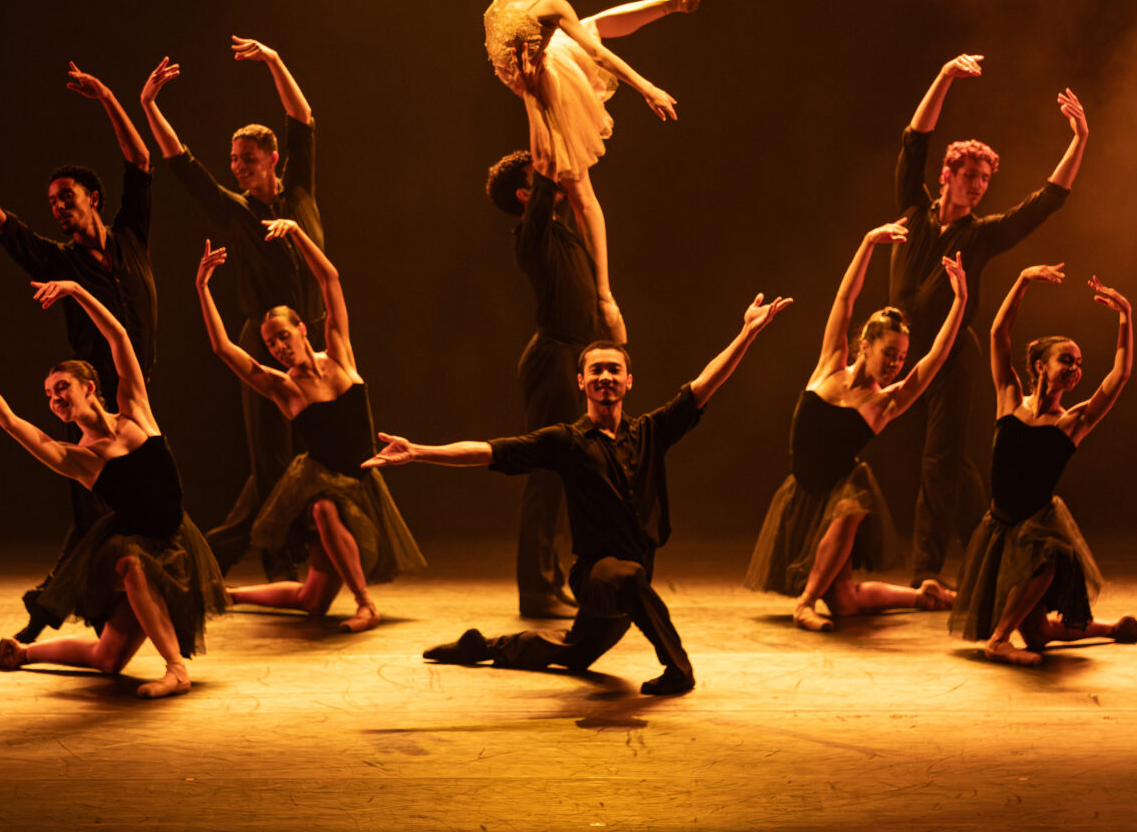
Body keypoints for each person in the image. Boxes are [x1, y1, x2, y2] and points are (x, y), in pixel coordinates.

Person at [366, 293, 793, 695]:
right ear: (581, 381)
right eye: (596, 370)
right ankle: (678, 669)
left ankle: (479, 646)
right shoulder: (566, 442)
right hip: (594, 577)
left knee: (571, 653)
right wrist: (419, 452)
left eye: (613, 370)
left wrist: (748, 332)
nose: (605, 376)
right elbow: (491, 451)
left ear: (628, 381)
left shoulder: (651, 432)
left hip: (630, 586)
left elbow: (703, 386)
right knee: (625, 576)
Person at [485, 0, 724, 341]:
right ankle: (676, 2)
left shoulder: (552, 0)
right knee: (588, 30)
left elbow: (600, 54)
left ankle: (606, 294)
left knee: (577, 184)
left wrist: (647, 89)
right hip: (531, 64)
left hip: (543, 80)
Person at [0, 65, 157, 644]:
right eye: (51, 203)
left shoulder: (129, 238)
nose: (57, 209)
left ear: (92, 199)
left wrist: (107, 97)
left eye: (65, 198)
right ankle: (50, 615)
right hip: (96, 406)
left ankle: (107, 610)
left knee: (134, 513)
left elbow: (139, 162)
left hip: (140, 397)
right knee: (93, 516)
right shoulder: (56, 261)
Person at [0, 280, 226, 698]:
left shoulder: (136, 411)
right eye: (49, 396)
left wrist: (76, 290)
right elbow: (13, 424)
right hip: (138, 547)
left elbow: (119, 336)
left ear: (89, 387)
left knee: (108, 658)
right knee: (131, 565)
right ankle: (176, 670)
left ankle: (22, 653)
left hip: (177, 540)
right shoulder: (80, 458)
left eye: (61, 387)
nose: (54, 400)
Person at [889, 53, 1090, 589]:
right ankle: (995, 532)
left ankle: (926, 572)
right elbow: (915, 140)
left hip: (951, 356)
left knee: (939, 462)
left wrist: (1079, 141)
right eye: (970, 176)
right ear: (947, 176)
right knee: (949, 464)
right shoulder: (912, 211)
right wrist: (944, 76)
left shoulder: (980, 235)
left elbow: (1043, 204)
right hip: (901, 352)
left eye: (985, 179)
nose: (979, 186)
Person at [138, 38, 324, 580]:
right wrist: (150, 107)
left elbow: (303, 119)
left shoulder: (300, 195)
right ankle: (281, 556)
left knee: (315, 447)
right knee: (270, 455)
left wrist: (274, 60)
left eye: (246, 159)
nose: (237, 166)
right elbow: (185, 167)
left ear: (271, 159)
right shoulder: (237, 212)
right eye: (234, 160)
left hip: (312, 335)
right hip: (262, 339)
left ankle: (218, 553)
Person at [196, 221, 425, 632]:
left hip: (364, 484)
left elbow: (330, 279)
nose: (279, 348)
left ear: (302, 329)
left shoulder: (340, 355)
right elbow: (223, 349)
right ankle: (366, 604)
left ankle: (227, 595)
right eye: (270, 344)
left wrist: (298, 233)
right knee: (322, 508)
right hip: (321, 485)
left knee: (312, 600)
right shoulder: (285, 389)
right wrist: (202, 289)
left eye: (284, 336)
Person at [746, 225, 967, 631]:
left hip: (842, 491)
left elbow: (934, 360)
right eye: (889, 353)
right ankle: (923, 595)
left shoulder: (885, 403)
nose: (896, 364)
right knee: (846, 602)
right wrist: (867, 243)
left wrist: (960, 303)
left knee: (853, 504)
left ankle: (806, 604)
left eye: (901, 358)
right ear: (865, 345)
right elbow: (845, 300)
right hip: (805, 492)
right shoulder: (830, 362)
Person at [949, 265, 1137, 666]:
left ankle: (998, 640)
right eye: (1067, 359)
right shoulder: (1008, 397)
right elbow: (997, 335)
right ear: (1040, 365)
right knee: (1040, 634)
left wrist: (1125, 317)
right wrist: (1022, 280)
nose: (1076, 368)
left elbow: (1120, 375)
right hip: (1001, 526)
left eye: (1079, 363)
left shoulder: (1072, 422)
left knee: (1050, 556)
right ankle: (1117, 628)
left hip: (1036, 526)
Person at [485, 150, 613, 618]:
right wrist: (533, 93)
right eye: (538, 178)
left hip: (569, 357)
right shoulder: (532, 233)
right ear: (527, 195)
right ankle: (536, 590)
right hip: (552, 357)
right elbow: (546, 161)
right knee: (545, 473)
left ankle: (551, 581)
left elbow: (579, 191)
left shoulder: (560, 231)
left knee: (563, 475)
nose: (553, 175)